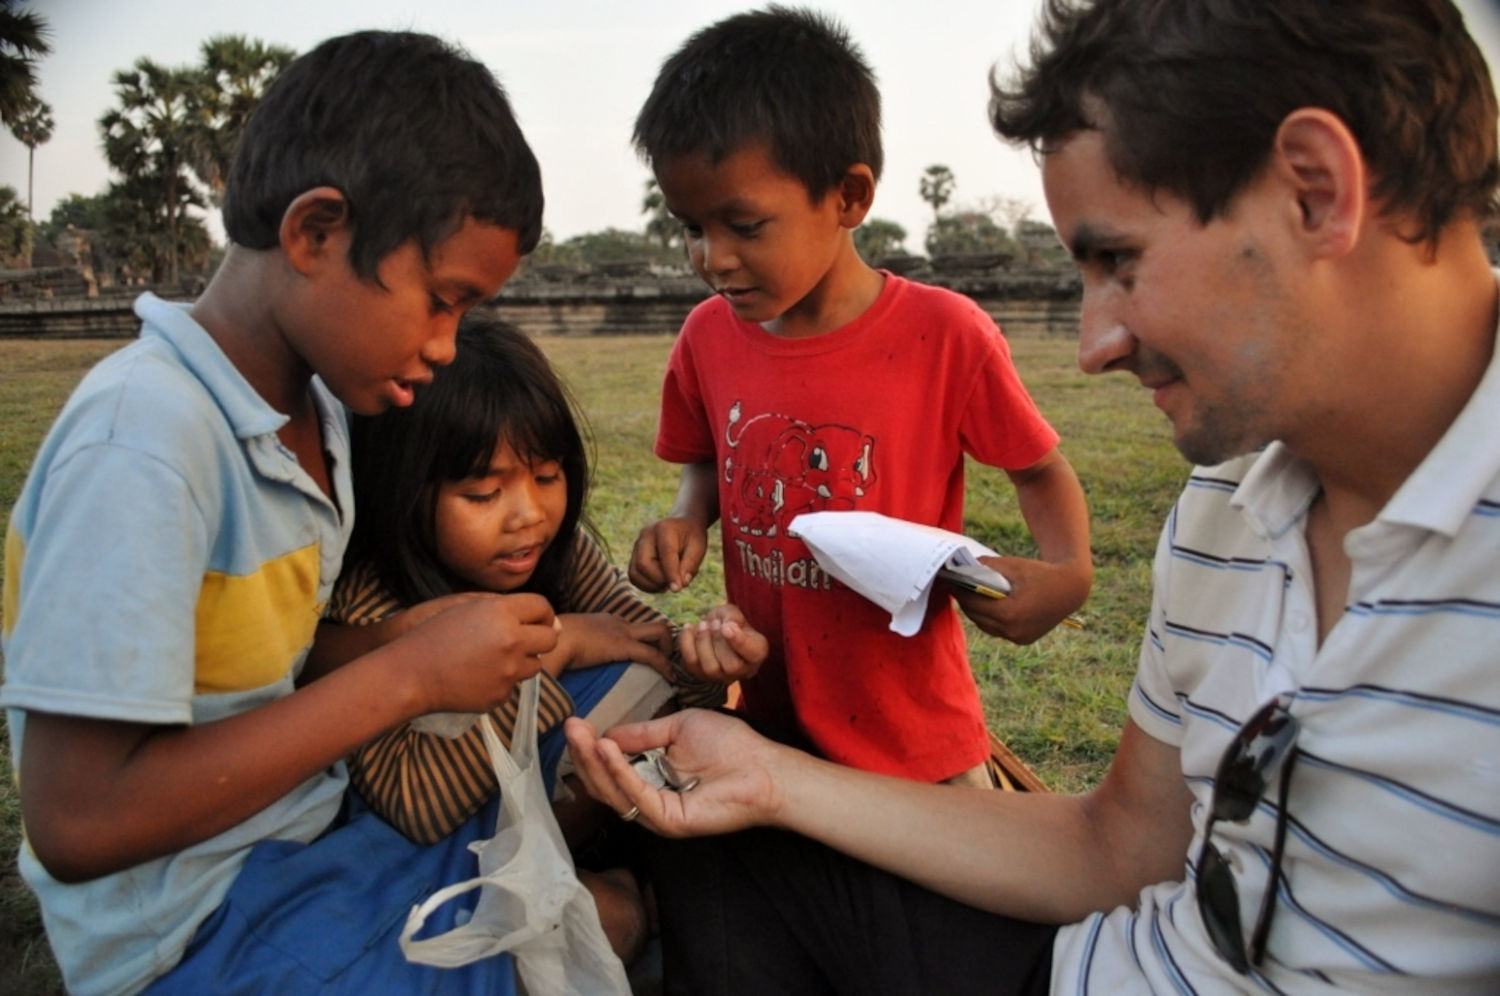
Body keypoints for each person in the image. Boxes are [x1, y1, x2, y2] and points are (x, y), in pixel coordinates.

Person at [566, 0, 1500, 991]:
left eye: (1118, 261)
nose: (1093, 344)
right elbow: (1117, 852)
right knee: (710, 858)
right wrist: (770, 778)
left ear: (1316, 191)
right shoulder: (1232, 504)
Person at [0, 31, 554, 995]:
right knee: (555, 950)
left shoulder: (319, 410)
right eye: (441, 301)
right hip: (194, 925)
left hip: (302, 839)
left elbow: (252, 667)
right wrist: (408, 680)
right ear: (316, 233)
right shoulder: (144, 445)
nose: (446, 345)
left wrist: (389, 642)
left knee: (595, 806)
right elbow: (78, 821)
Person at [627, 6, 1093, 787]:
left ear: (848, 196)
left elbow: (1037, 469)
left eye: (744, 224)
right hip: (773, 722)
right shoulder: (707, 339)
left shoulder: (944, 335)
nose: (712, 258)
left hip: (914, 735)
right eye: (691, 227)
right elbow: (707, 457)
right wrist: (686, 518)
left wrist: (1069, 571)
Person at [321, 312, 725, 961]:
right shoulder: (373, 604)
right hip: (435, 863)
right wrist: (552, 648)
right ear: (405, 489)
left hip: (558, 831)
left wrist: (705, 660)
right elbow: (414, 807)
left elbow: (649, 653)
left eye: (546, 477)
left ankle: (626, 882)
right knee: (609, 920)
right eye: (483, 493)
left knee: (643, 681)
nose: (529, 516)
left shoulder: (558, 556)